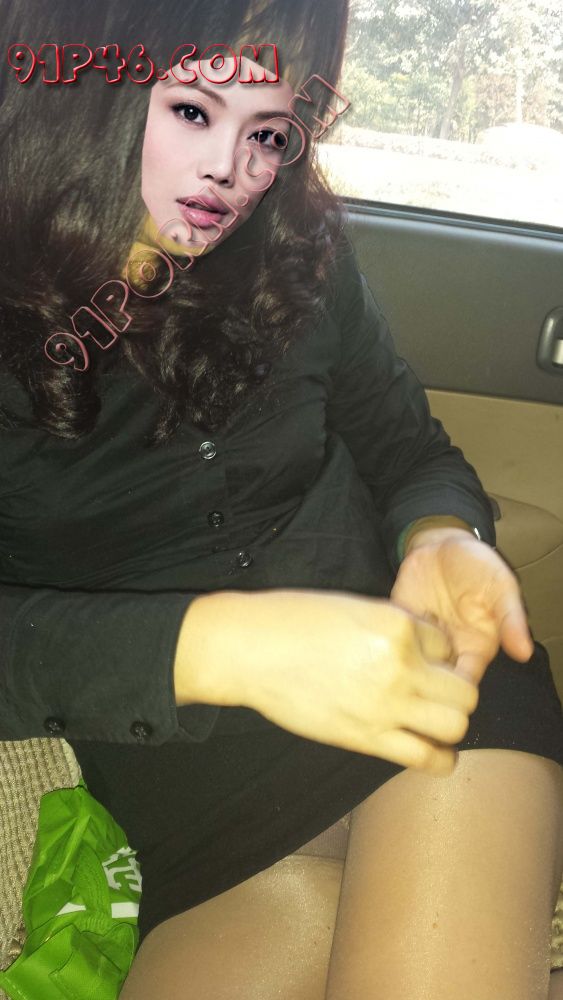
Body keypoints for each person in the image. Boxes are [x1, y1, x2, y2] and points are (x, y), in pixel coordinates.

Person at [1, 1, 562, 998]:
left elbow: (408, 447)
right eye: (193, 110)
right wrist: (219, 648)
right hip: (196, 795)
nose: (237, 172)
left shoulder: (294, 245)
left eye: (271, 129)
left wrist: (442, 535)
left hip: (428, 681)